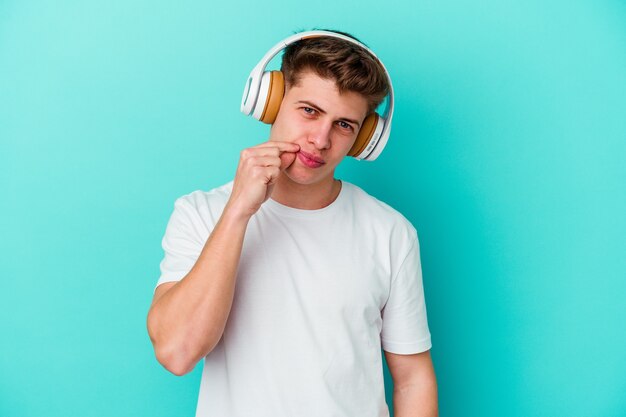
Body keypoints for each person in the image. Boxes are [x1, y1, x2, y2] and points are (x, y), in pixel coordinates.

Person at [147, 29, 438, 417]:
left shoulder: (390, 232)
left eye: (344, 125)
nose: (320, 139)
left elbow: (412, 378)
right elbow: (176, 353)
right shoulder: (200, 213)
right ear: (270, 103)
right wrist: (238, 212)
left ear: (364, 138)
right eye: (309, 111)